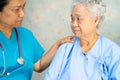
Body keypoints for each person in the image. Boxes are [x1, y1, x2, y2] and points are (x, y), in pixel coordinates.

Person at [44, 0, 120, 80]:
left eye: (78, 19)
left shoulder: (113, 52)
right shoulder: (65, 47)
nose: (73, 24)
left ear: (95, 20)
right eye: (72, 19)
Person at [0, 0, 74, 80]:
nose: (22, 14)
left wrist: (58, 44)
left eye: (23, 7)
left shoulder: (26, 35)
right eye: (16, 9)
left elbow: (38, 65)